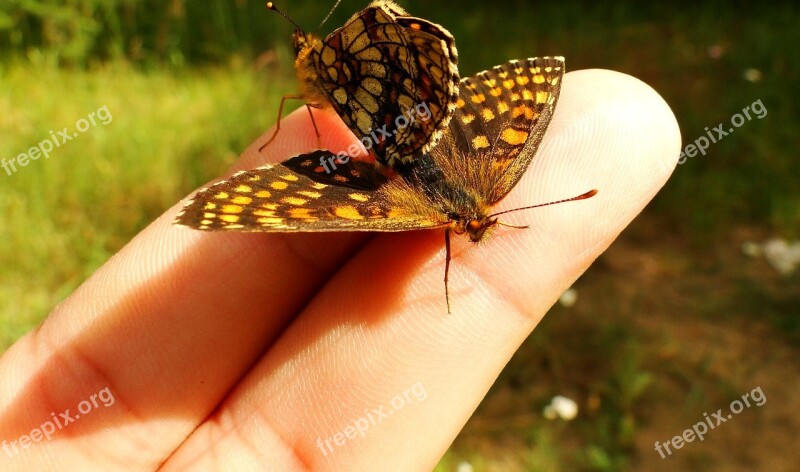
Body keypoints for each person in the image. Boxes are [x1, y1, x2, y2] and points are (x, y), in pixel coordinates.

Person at [0, 70, 679, 470]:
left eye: (479, 227)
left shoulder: (484, 190)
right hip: (397, 175)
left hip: (400, 161)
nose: (479, 230)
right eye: (478, 226)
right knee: (346, 213)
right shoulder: (477, 188)